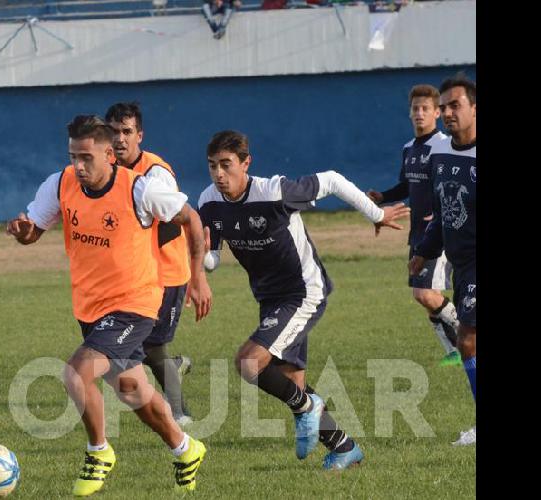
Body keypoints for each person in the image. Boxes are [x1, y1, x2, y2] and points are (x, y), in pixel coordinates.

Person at [6, 115, 211, 495]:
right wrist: (23, 233)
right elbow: (34, 230)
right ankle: (185, 448)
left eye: (86, 157)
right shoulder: (60, 183)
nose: (79, 166)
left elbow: (191, 218)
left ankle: (99, 451)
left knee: (75, 374)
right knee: (133, 389)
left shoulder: (141, 190)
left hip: (135, 303)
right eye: (73, 157)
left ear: (109, 154)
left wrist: (197, 276)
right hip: (90, 307)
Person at [196, 130, 409, 470]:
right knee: (292, 384)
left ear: (246, 163)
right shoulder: (209, 202)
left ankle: (308, 408)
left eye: (226, 165)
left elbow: (333, 180)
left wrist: (376, 214)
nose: (219, 174)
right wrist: (200, 254)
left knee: (250, 363)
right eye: (212, 166)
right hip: (269, 297)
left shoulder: (274, 191)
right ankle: (344, 448)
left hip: (303, 291)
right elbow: (213, 258)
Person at [105, 102, 205, 426]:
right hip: (132, 276)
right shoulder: (106, 169)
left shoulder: (155, 174)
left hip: (166, 274)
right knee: (134, 345)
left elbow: (179, 222)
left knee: (150, 344)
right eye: (113, 132)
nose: (119, 139)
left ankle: (180, 414)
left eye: (126, 132)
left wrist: (198, 275)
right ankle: (172, 372)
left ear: (139, 135)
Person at [368, 84, 462, 368]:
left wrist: (442, 212)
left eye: (425, 109)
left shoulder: (444, 146)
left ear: (437, 112)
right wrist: (382, 197)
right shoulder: (409, 149)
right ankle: (454, 350)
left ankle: (467, 330)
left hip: (440, 233)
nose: (419, 114)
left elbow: (451, 185)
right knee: (422, 296)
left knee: (426, 294)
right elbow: (408, 185)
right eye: (415, 109)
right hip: (417, 234)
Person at [409, 73, 477, 447]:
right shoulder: (439, 152)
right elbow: (442, 212)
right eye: (445, 106)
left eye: (456, 105)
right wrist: (423, 251)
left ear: (474, 109)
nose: (448, 112)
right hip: (462, 262)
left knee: (468, 340)